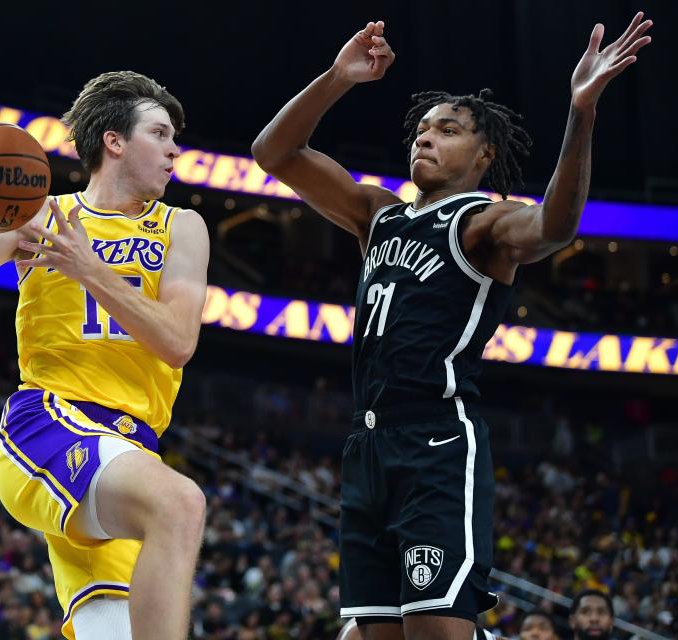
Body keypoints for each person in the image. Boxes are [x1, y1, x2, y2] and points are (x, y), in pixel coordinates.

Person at [252, 13, 651, 640]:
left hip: (436, 445)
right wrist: (337, 78)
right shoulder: (376, 215)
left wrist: (582, 113)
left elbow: (556, 227)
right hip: (367, 449)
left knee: (437, 632)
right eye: (422, 128)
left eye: (448, 129)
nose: (425, 138)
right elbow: (273, 153)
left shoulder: (483, 224)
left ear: (484, 153)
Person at [0, 70, 210, 640]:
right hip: (50, 423)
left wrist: (88, 268)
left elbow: (177, 342)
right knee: (181, 504)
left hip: (132, 453)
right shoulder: (39, 215)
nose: (175, 150)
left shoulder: (183, 227)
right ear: (115, 141)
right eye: (161, 133)